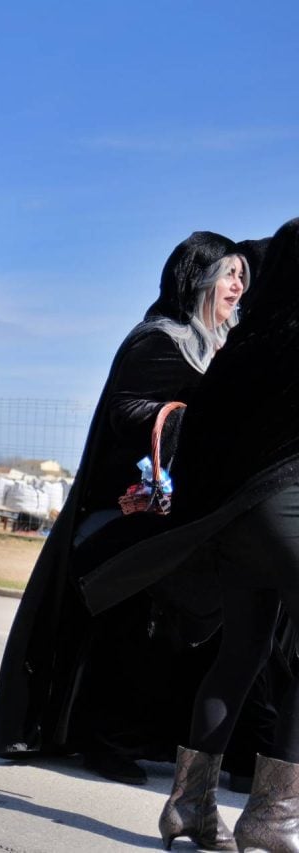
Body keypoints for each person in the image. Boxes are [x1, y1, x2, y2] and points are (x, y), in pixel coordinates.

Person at [0, 231, 251, 786]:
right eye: (228, 274)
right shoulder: (159, 341)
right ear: (198, 278)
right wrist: (189, 420)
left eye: (241, 276)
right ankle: (101, 740)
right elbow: (125, 413)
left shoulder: (226, 345)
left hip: (197, 517)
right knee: (131, 617)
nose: (237, 285)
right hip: (133, 512)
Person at [81, 219, 299, 850]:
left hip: (237, 521)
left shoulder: (246, 341)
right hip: (283, 509)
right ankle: (274, 814)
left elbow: (202, 436)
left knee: (243, 654)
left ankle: (190, 805)